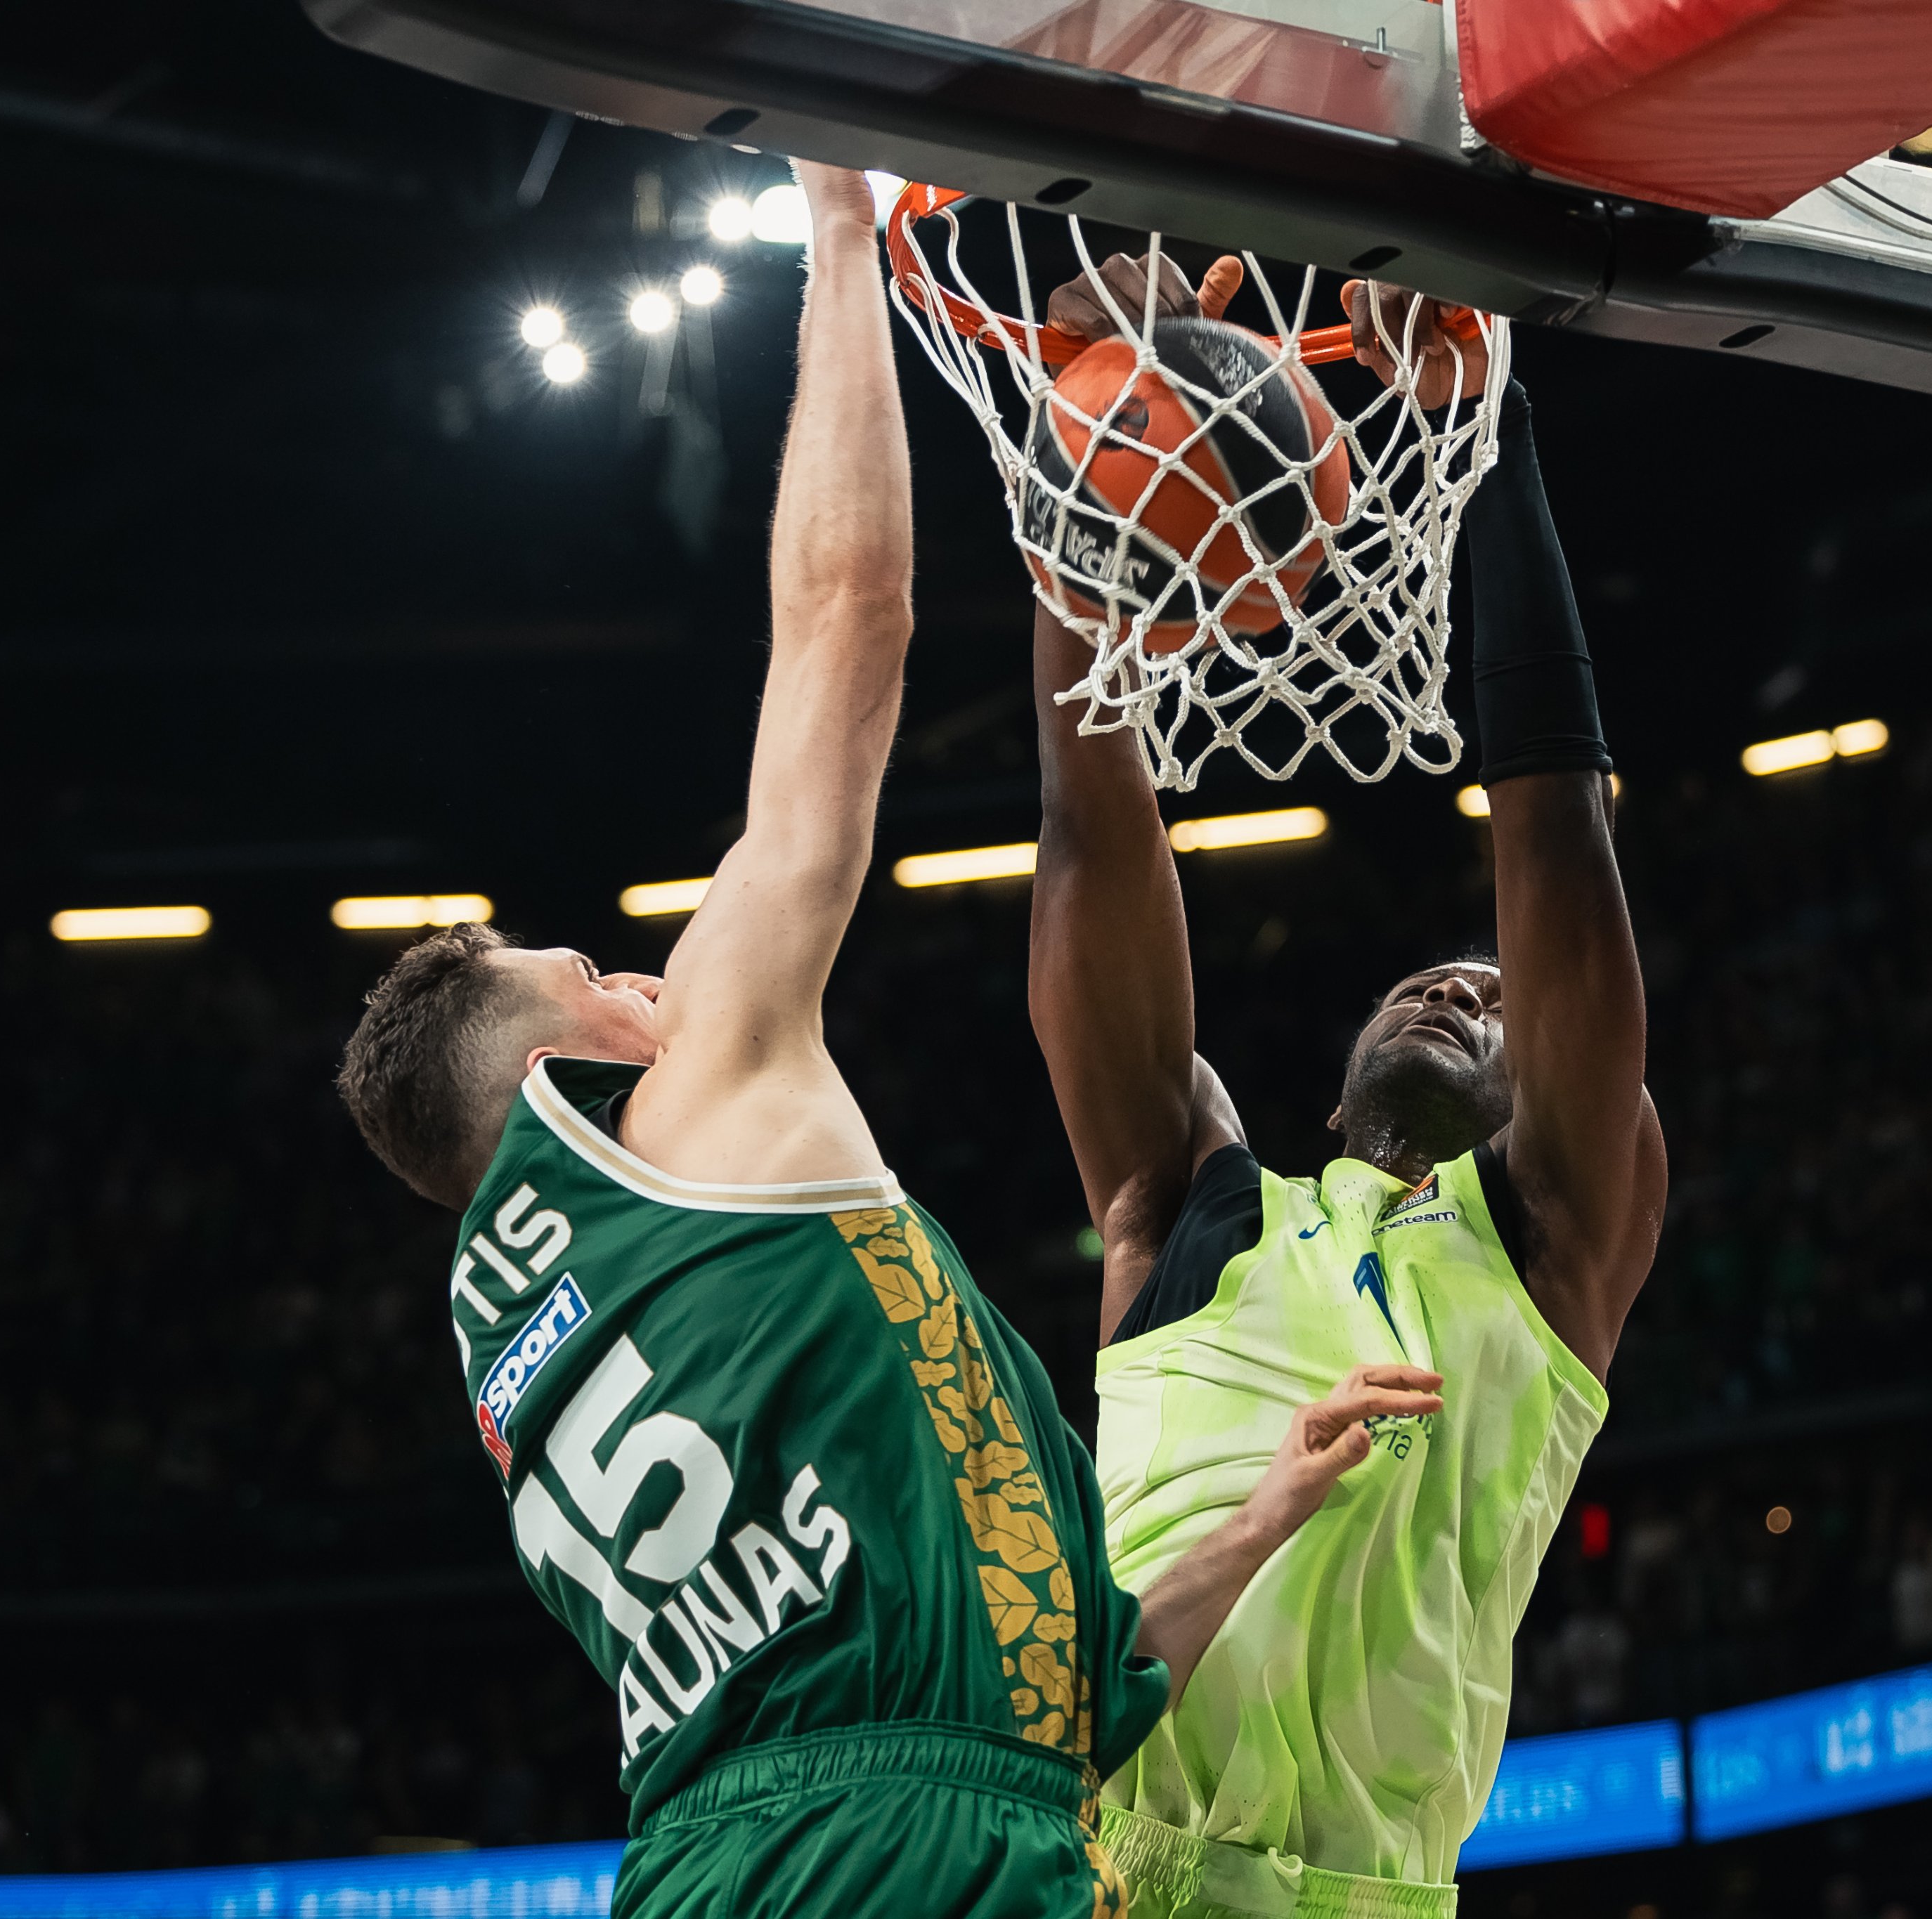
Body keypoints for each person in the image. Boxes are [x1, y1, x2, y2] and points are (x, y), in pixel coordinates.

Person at [332, 162, 1437, 1919]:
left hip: (742, 1852)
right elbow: (845, 624)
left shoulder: (513, 1355)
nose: (643, 975)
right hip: (886, 1847)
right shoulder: (689, 1094)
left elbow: (1052, 1702)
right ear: (576, 1076)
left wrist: (1265, 1509)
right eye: (596, 973)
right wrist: (838, 225)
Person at [1025, 259, 1666, 1915]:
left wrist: (1485, 429)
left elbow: (1551, 829)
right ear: (1321, 1095)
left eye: (1493, 1000)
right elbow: (1097, 824)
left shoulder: (1553, 1246)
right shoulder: (1191, 1203)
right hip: (1093, 1861)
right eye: (1424, 980)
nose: (1461, 984)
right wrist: (1079, 516)